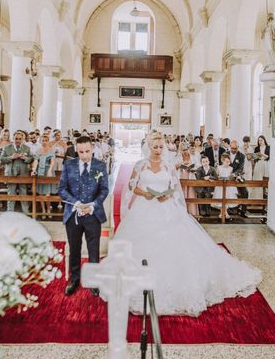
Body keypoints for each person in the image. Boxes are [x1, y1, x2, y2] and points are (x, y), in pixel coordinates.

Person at [112, 130, 261, 315]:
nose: (158, 150)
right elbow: (132, 186)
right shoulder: (140, 165)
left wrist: (166, 194)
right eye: (154, 147)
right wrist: (146, 194)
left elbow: (174, 186)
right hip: (145, 206)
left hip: (166, 206)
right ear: (148, 147)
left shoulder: (168, 166)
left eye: (160, 147)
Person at [58, 135, 109, 297]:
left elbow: (104, 190)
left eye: (87, 151)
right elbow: (62, 189)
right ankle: (74, 279)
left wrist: (92, 205)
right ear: (76, 150)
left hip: (93, 214)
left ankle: (94, 281)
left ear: (92, 149)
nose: (85, 155)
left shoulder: (100, 166)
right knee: (74, 248)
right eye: (81, 152)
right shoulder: (68, 164)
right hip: (73, 213)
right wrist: (77, 204)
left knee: (93, 249)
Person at [0, 130, 34, 213]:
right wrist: (11, 157)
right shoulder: (7, 148)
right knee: (11, 193)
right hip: (11, 174)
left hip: (23, 174)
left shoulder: (27, 148)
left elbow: (31, 159)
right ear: (13, 138)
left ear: (22, 139)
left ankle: (25, 213)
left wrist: (25, 158)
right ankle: (10, 212)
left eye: (19, 139)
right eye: (16, 139)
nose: (18, 140)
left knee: (23, 193)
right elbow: (1, 159)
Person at [31, 134, 56, 217]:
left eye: (46, 140)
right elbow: (35, 161)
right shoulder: (38, 151)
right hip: (40, 171)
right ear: (40, 141)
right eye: (43, 140)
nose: (44, 142)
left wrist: (49, 170)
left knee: (47, 194)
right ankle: (43, 210)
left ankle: (48, 209)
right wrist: (34, 170)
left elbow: (52, 162)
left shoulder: (51, 150)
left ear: (48, 141)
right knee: (41, 193)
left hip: (48, 170)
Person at [175, 143, 197, 216]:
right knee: (182, 194)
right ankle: (182, 213)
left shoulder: (193, 157)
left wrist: (193, 169)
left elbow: (197, 166)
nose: (185, 152)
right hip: (182, 177)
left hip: (190, 177)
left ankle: (192, 213)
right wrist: (179, 165)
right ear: (180, 150)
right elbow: (174, 167)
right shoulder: (178, 157)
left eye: (186, 149)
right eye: (183, 150)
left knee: (190, 194)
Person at [251, 135, 270, 200]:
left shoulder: (268, 147)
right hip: (258, 164)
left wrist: (263, 154)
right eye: (259, 140)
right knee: (257, 179)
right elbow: (254, 157)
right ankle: (257, 197)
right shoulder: (257, 148)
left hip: (265, 164)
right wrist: (256, 156)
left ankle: (264, 196)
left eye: (261, 140)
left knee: (265, 180)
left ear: (264, 140)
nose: (260, 142)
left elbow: (270, 156)